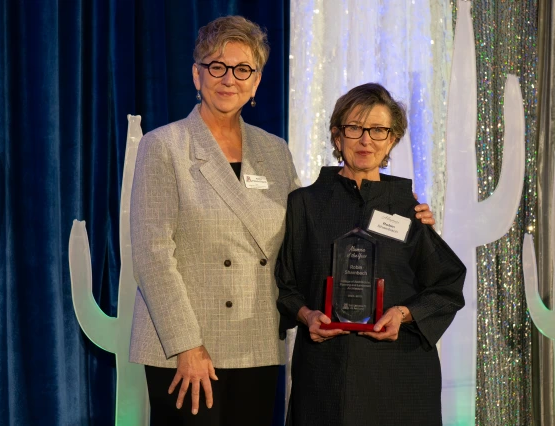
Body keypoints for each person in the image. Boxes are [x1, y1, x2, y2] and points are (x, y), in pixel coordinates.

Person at [129, 16, 436, 425]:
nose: (229, 79)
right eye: (217, 66)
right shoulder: (164, 146)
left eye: (243, 70)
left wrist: (404, 213)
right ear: (196, 74)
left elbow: (314, 231)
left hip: (256, 341)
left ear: (256, 82)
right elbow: (153, 257)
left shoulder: (274, 151)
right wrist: (187, 346)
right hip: (187, 347)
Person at [275, 83, 466, 426]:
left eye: (378, 130)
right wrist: (306, 316)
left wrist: (404, 314)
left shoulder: (409, 208)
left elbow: (447, 285)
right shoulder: (304, 205)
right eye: (355, 128)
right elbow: (285, 285)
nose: (366, 140)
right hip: (325, 376)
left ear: (392, 139)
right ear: (337, 136)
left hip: (400, 374)